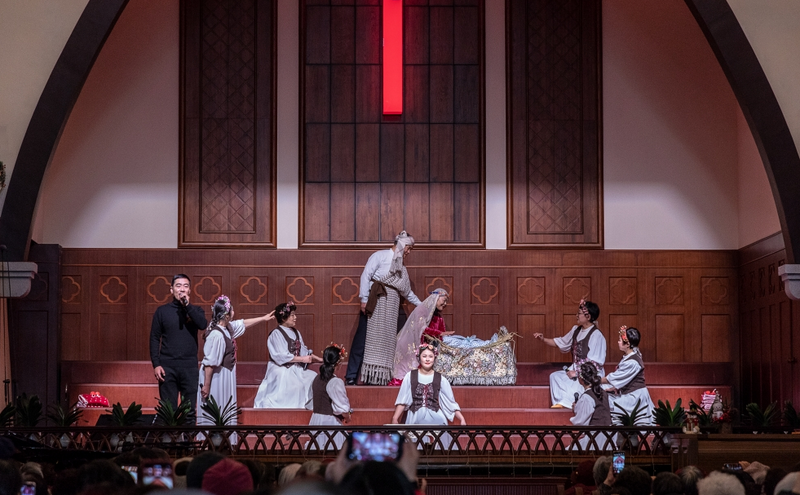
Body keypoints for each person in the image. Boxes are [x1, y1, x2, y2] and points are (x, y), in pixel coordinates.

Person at [346, 230, 422, 386]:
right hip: (375, 302)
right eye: (408, 247)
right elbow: (366, 275)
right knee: (362, 339)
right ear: (401, 244)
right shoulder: (379, 256)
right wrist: (364, 299)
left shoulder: (401, 268)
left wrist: (423, 306)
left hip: (391, 308)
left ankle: (379, 376)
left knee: (387, 341)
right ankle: (351, 375)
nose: (408, 252)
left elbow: (407, 292)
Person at [391, 288, 501, 385]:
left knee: (461, 341)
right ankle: (486, 343)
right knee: (458, 342)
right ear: (436, 298)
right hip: (421, 343)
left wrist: (442, 335)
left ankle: (487, 343)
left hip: (437, 341)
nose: (445, 304)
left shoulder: (437, 316)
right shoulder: (422, 310)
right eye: (444, 301)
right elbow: (421, 329)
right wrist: (440, 334)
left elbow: (442, 334)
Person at [197, 295, 275, 425]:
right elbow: (210, 363)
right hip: (217, 378)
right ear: (226, 315)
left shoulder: (227, 328)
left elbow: (243, 323)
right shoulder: (216, 334)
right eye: (232, 310)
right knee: (216, 406)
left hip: (225, 375)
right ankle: (213, 439)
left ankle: (223, 439)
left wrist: (263, 318)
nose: (234, 312)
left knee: (224, 406)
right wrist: (207, 385)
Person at [150, 274, 208, 423]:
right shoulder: (162, 311)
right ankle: (167, 445)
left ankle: (188, 445)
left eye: (185, 286)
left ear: (190, 290)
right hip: (167, 367)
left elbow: (202, 324)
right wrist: (156, 364)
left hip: (189, 367)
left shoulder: (196, 310)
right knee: (168, 411)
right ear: (171, 290)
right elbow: (155, 338)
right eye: (178, 285)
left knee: (189, 412)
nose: (182, 289)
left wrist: (187, 306)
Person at [533, 299, 605, 408]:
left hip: (590, 374)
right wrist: (543, 339)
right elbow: (561, 342)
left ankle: (570, 404)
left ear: (588, 317)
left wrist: (577, 373)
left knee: (576, 384)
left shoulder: (596, 335)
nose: (576, 316)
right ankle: (562, 403)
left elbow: (595, 363)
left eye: (579, 314)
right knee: (555, 377)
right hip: (574, 369)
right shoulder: (576, 330)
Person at [254, 302, 322, 408]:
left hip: (295, 367)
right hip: (280, 368)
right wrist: (302, 359)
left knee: (313, 377)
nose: (295, 317)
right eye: (292, 315)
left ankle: (308, 406)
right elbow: (280, 356)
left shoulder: (296, 332)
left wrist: (319, 359)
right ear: (284, 318)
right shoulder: (276, 334)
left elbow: (303, 350)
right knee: (296, 385)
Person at [392, 343, 466, 427]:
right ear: (419, 357)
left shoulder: (441, 379)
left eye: (430, 356)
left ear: (434, 358)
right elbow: (403, 399)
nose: (427, 359)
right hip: (415, 417)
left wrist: (461, 418)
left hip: (435, 416)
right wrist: (395, 418)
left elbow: (449, 402)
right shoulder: (410, 376)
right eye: (424, 356)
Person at [601, 326, 655, 425]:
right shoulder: (632, 354)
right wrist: (614, 388)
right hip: (629, 392)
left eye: (620, 340)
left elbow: (614, 377)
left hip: (634, 396)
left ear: (628, 344)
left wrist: (595, 380)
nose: (618, 342)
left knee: (605, 400)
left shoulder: (632, 363)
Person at [308, 344, 353, 449]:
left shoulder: (316, 379)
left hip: (316, 419)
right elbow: (343, 409)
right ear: (338, 363)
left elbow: (311, 400)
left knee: (318, 450)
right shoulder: (335, 382)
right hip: (329, 423)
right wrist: (348, 417)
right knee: (331, 450)